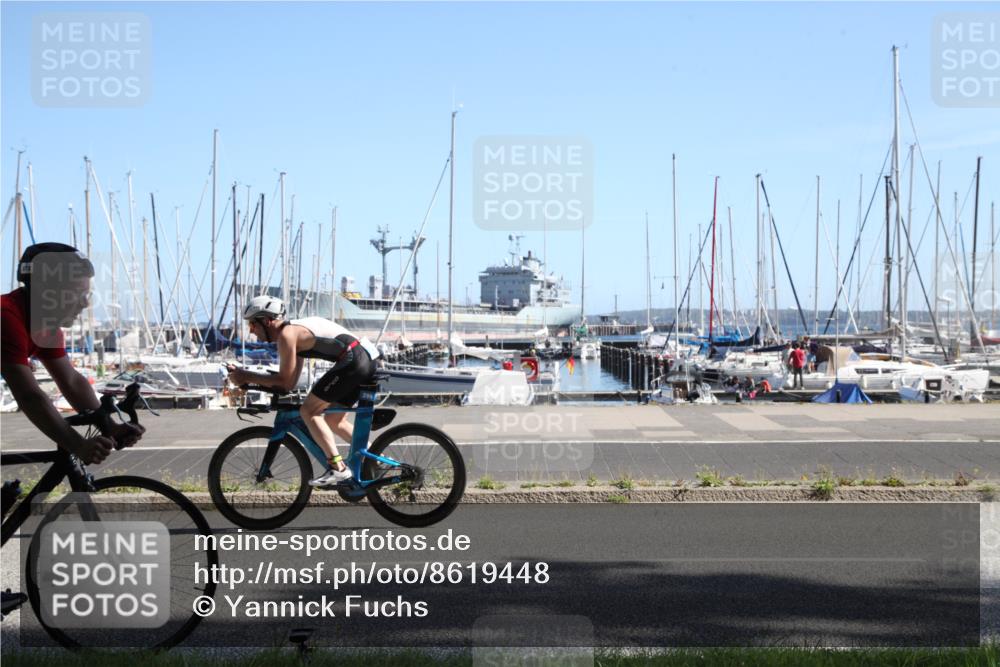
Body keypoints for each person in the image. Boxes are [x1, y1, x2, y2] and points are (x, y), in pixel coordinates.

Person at [1, 243, 143, 465]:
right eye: (77, 293)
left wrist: (109, 425)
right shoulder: (6, 317)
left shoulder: (44, 326)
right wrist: (78, 445)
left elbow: (71, 381)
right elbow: (29, 396)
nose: (86, 303)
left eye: (88, 294)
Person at [227, 296, 378, 487]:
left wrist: (246, 376)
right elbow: (289, 383)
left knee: (308, 411)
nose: (251, 330)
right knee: (334, 420)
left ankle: (338, 469)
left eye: (252, 324)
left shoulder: (287, 335)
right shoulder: (293, 334)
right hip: (363, 358)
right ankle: (377, 458)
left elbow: (283, 381)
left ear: (266, 321)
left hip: (354, 360)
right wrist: (250, 380)